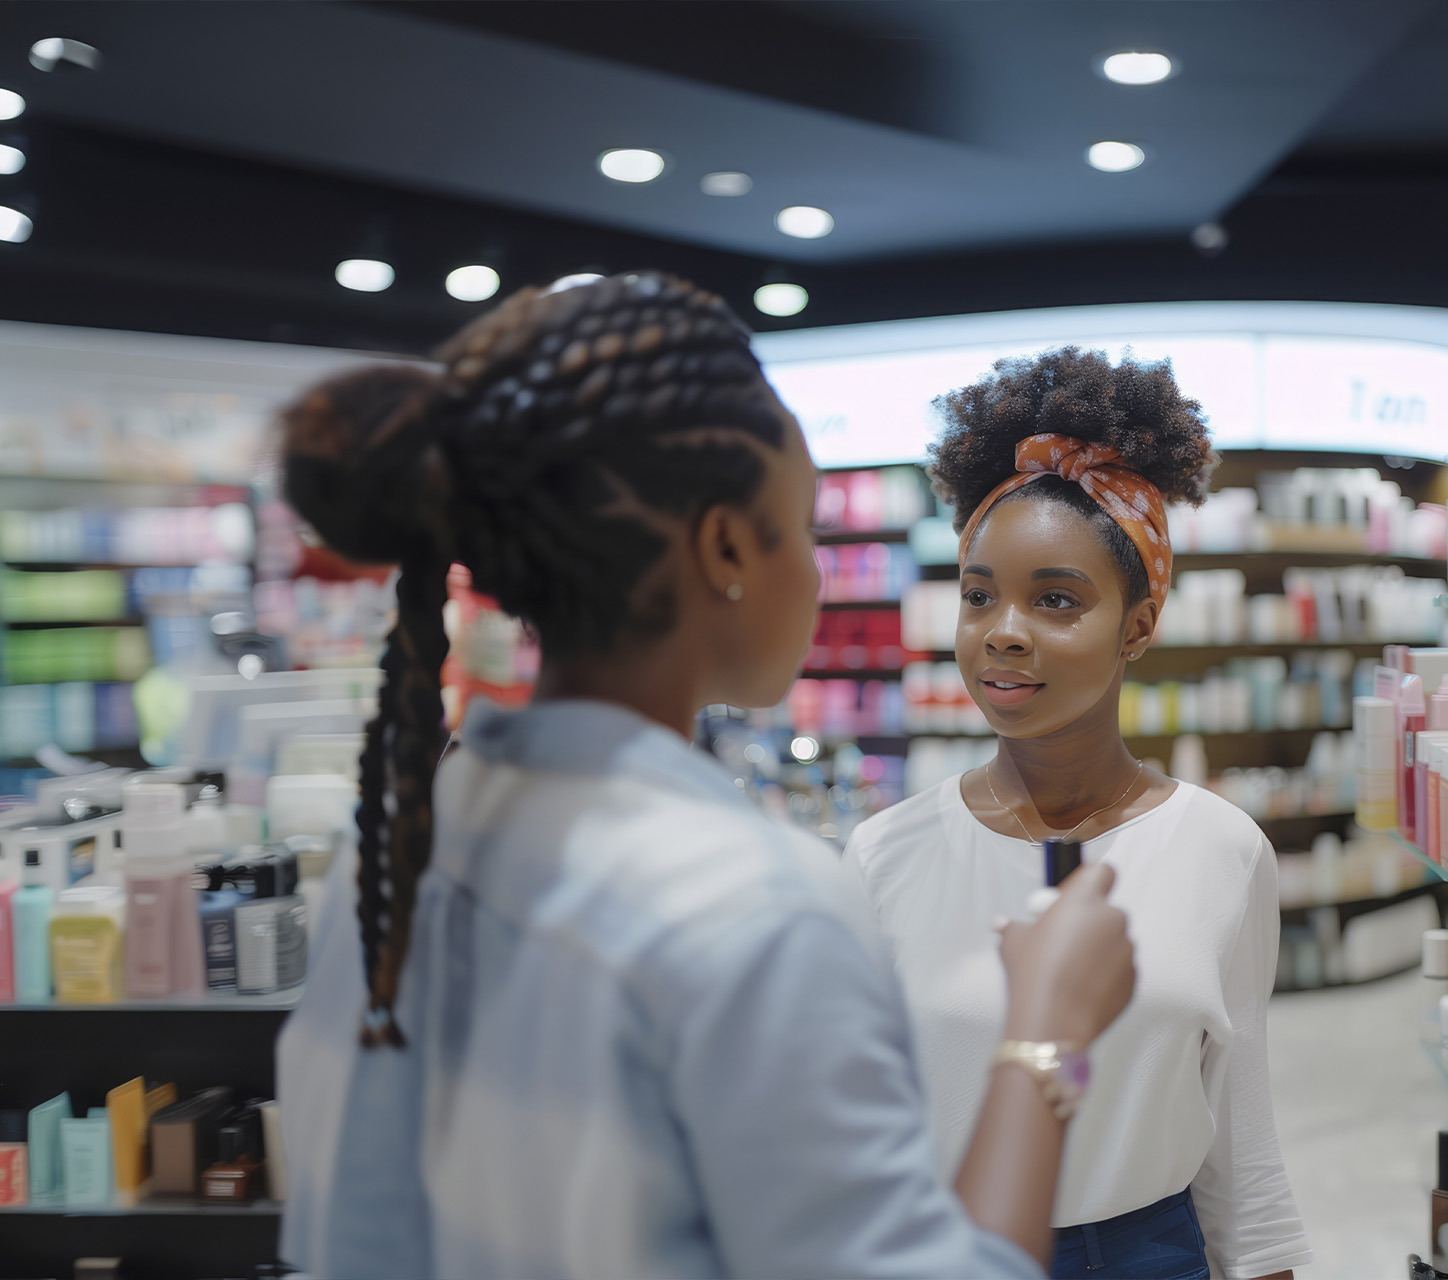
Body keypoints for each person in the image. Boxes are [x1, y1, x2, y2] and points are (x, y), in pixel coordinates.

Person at [271, 274, 1136, 1279]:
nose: (817, 572)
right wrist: (1046, 1032)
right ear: (726, 545)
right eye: (803, 524)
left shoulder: (394, 854)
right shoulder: (757, 911)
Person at [847, 348, 1311, 1280]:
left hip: (1150, 1253)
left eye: (1056, 599)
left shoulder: (1223, 850)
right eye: (979, 596)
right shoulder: (882, 854)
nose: (1003, 630)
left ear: (1139, 626)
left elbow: (1240, 1141)